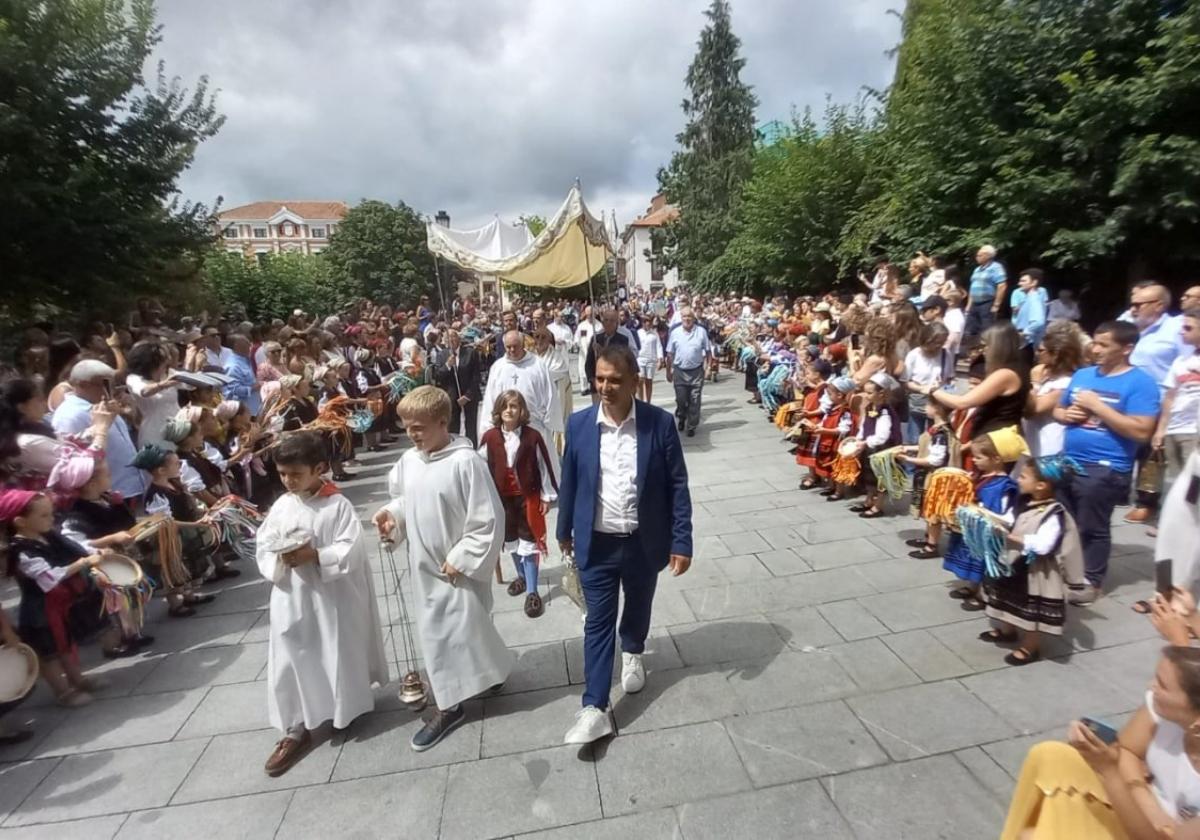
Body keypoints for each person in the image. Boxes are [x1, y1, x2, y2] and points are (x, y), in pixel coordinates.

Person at [557, 345, 693, 745]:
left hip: (643, 541)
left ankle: (633, 649)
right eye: (600, 379)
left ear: (635, 380)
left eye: (615, 380)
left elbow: (677, 486)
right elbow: (570, 482)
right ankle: (594, 707)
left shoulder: (658, 424)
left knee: (637, 603)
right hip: (595, 544)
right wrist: (564, 528)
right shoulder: (580, 424)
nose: (606, 387)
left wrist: (682, 539)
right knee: (598, 622)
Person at [374, 386, 512, 752]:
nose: (411, 434)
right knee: (449, 632)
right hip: (424, 565)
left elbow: (488, 517)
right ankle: (484, 676)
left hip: (455, 567)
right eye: (406, 427)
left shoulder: (466, 462)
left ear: (442, 422)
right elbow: (406, 499)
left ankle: (449, 707)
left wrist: (463, 557)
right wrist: (393, 518)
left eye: (419, 427)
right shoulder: (410, 461)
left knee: (460, 627)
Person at [255, 431, 387, 777]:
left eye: (295, 474)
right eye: (282, 474)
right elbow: (264, 542)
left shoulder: (336, 505)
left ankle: (342, 709)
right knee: (289, 657)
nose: (287, 481)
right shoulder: (283, 504)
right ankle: (293, 728)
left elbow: (351, 549)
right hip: (291, 595)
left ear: (319, 468)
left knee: (333, 650)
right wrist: (280, 558)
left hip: (330, 598)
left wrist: (316, 554)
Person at [1000, 646, 1200, 839]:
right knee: (1050, 754)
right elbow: (1127, 751)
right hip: (1133, 804)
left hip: (1143, 832)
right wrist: (1148, 804)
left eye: (1162, 685)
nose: (1151, 686)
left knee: (1034, 835)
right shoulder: (1163, 712)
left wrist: (1110, 771)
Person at [1055, 320, 1161, 602]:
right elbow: (1059, 409)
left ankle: (1091, 581)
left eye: (1104, 345)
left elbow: (1141, 431)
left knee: (1092, 526)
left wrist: (1097, 407)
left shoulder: (1141, 383)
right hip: (1068, 461)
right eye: (1095, 342)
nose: (1095, 349)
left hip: (1105, 467)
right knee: (1065, 520)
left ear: (1127, 349)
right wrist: (1065, 415)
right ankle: (1067, 569)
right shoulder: (1084, 375)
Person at [1, 489, 110, 707]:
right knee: (49, 654)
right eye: (43, 515)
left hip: (60, 605)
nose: (51, 519)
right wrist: (81, 564)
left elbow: (76, 548)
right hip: (40, 610)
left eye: (51, 513)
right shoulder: (21, 551)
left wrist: (93, 554)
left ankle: (77, 679)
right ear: (21, 522)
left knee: (66, 645)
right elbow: (49, 578)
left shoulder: (48, 536)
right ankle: (63, 691)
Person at [980, 455, 1083, 666]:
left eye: (1024, 476)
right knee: (1007, 598)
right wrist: (985, 516)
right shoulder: (1023, 501)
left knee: (1030, 611)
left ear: (1041, 485)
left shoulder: (1054, 514)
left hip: (1036, 571)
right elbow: (1009, 519)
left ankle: (1030, 646)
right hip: (1013, 561)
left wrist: (1012, 537)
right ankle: (1007, 630)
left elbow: (1044, 545)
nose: (1018, 479)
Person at [479, 390, 557, 619]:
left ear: (522, 410)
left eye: (514, 406)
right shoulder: (490, 437)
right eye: (505, 407)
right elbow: (481, 466)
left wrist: (546, 495)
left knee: (529, 540)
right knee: (511, 540)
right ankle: (522, 576)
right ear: (498, 411)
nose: (509, 411)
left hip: (527, 498)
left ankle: (532, 592)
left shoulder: (532, 436)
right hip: (502, 500)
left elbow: (543, 466)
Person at [943, 434, 1019, 611]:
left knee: (984, 562)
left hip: (987, 533)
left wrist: (981, 511)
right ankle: (972, 586)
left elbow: (1005, 515)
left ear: (997, 459)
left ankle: (983, 595)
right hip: (971, 530)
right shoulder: (981, 476)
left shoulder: (1005, 486)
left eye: (978, 457)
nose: (974, 460)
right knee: (972, 557)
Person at [51, 360, 146, 499]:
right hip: (110, 494)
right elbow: (74, 462)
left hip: (132, 487)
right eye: (105, 384)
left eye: (111, 384)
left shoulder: (102, 405)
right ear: (82, 385)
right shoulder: (69, 415)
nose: (110, 390)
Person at [479, 330, 555, 466]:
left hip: (534, 425)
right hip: (505, 429)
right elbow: (490, 399)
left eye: (516, 346)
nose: (512, 350)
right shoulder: (498, 367)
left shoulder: (538, 365)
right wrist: (488, 426)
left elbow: (550, 395)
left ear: (523, 344)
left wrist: (548, 423)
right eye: (508, 347)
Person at [1024, 320, 1087, 459]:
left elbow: (1035, 408)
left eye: (1041, 350)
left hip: (1048, 444)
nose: (1036, 353)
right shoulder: (1046, 377)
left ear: (1056, 354)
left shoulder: (1065, 383)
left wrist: (1034, 382)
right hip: (1032, 439)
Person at [1154, 308, 1200, 490]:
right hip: (1175, 429)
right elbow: (1170, 396)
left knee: (1194, 484)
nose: (1182, 332)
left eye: (1188, 328)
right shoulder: (1181, 361)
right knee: (1176, 484)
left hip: (1195, 431)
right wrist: (1161, 430)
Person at [124, 342, 184, 450]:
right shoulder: (134, 379)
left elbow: (190, 384)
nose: (168, 361)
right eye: (163, 360)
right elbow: (144, 391)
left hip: (178, 429)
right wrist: (164, 384)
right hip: (155, 432)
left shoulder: (170, 373)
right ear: (152, 363)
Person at [664, 307, 713, 437]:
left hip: (696, 371)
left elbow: (708, 352)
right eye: (684, 317)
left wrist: (708, 368)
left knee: (695, 400)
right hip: (680, 371)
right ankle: (681, 415)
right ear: (681, 318)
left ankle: (691, 425)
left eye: (689, 317)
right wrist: (668, 371)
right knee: (681, 399)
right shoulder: (675, 332)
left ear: (693, 318)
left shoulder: (701, 332)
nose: (687, 319)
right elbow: (669, 354)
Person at [431, 328, 482, 446]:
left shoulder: (470, 352)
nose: (451, 340)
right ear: (444, 341)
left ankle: (472, 448)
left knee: (471, 427)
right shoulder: (442, 355)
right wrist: (448, 365)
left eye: (453, 337)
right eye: (448, 338)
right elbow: (438, 376)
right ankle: (454, 448)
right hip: (452, 397)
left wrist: (468, 396)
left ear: (459, 338)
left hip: (469, 396)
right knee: (453, 427)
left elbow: (476, 377)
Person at [584, 310, 631, 403]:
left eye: (612, 320)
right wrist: (592, 380)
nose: (608, 323)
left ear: (617, 323)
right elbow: (589, 363)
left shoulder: (622, 340)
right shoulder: (595, 339)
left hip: (614, 385)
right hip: (597, 386)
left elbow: (622, 361)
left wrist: (602, 351)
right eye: (606, 320)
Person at [966, 244, 1008, 341]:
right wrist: (968, 305)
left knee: (986, 329)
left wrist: (996, 305)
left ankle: (985, 351)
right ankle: (972, 351)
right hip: (974, 303)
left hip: (987, 303)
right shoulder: (977, 269)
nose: (977, 257)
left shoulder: (996, 268)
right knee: (971, 329)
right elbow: (973, 287)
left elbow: (1002, 286)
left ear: (988, 256)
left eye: (979, 255)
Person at [1011, 268, 1048, 353]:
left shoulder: (1034, 299)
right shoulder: (1028, 299)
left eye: (1023, 281)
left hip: (1028, 343)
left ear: (1034, 283)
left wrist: (1025, 332)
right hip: (1025, 343)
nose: (1019, 284)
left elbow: (1038, 322)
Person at [635, 316, 662, 403]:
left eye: (649, 321)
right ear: (642, 323)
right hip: (640, 359)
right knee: (640, 380)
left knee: (649, 381)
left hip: (651, 359)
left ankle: (648, 402)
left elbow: (659, 346)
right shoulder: (638, 333)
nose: (647, 323)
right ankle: (641, 400)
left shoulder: (654, 334)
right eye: (645, 321)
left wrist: (660, 359)